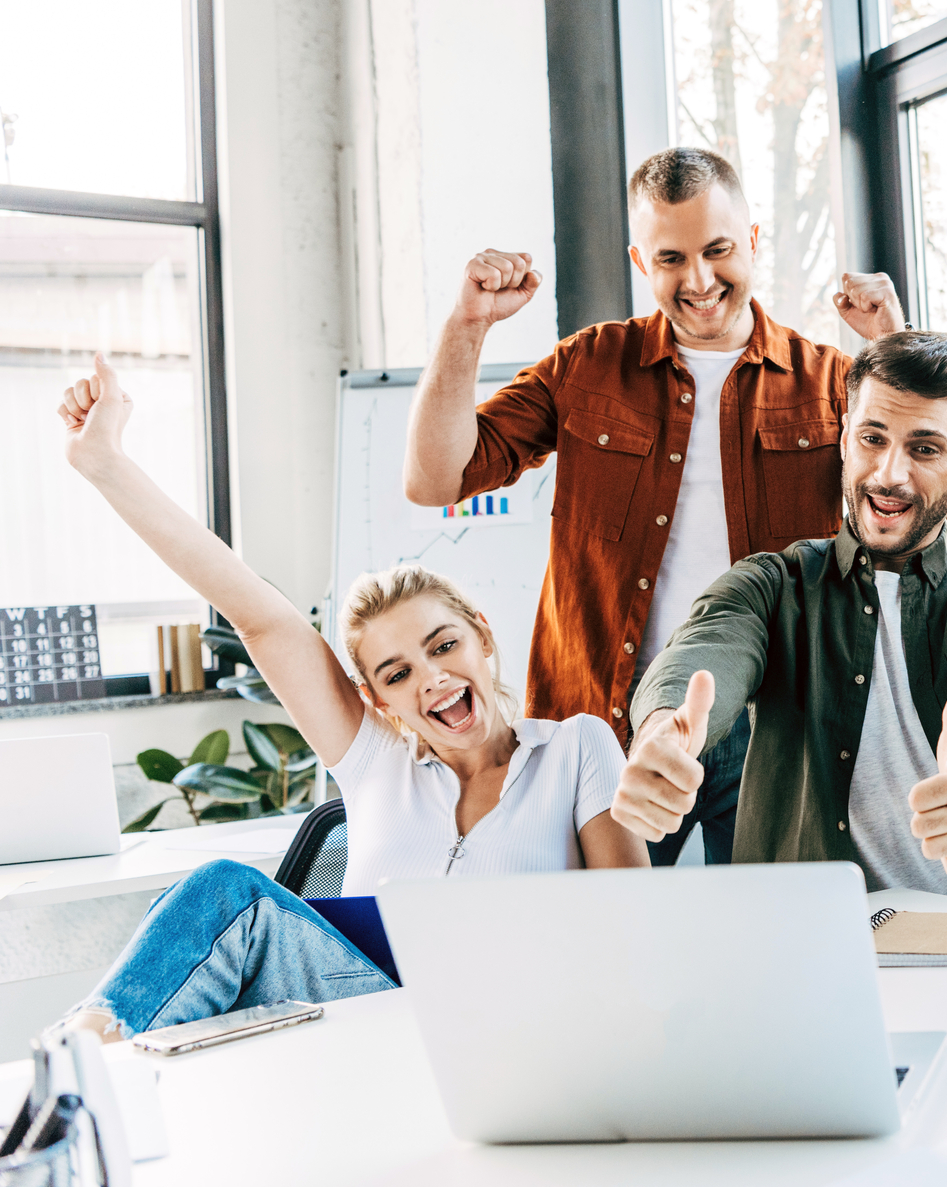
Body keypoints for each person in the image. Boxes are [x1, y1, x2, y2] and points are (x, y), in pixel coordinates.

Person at [54, 356, 647, 1040]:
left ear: (482, 636)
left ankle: (79, 1071)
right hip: (367, 1019)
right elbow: (260, 617)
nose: (430, 678)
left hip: (513, 1026)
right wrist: (106, 465)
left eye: (444, 645)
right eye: (396, 674)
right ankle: (83, 1059)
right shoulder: (375, 760)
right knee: (216, 897)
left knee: (220, 902)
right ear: (378, 698)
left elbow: (629, 933)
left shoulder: (576, 748)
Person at [402, 147, 906, 869]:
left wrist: (895, 345)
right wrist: (466, 324)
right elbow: (432, 478)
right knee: (609, 952)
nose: (698, 280)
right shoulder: (587, 365)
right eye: (672, 259)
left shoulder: (830, 380)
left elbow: (913, 513)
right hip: (612, 724)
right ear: (643, 262)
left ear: (754, 242)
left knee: (770, 946)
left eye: (719, 250)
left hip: (777, 723)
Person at [612, 332, 947, 918]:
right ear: (845, 439)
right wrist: (660, 734)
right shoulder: (773, 584)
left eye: (924, 449)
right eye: (872, 439)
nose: (889, 474)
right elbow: (708, 644)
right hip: (826, 947)